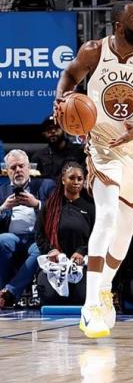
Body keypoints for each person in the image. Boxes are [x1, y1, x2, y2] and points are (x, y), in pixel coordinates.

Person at [53, 1, 133, 338]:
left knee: (123, 230)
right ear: (119, 25)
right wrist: (61, 97)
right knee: (106, 215)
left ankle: (105, 287)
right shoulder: (94, 52)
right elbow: (69, 75)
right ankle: (91, 304)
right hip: (103, 147)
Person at [0, 150, 56, 309]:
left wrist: (37, 204)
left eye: (21, 166)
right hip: (13, 237)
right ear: (7, 171)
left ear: (28, 168)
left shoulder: (46, 185)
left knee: (40, 249)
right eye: (13, 167)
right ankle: (4, 290)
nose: (18, 170)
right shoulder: (2, 191)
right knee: (1, 240)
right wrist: (3, 208)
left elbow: (58, 211)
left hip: (37, 237)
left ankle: (8, 293)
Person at [35, 162, 94, 306]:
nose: (76, 182)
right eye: (71, 178)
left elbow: (97, 236)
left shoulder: (91, 207)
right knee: (50, 298)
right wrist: (50, 250)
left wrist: (82, 252)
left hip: (81, 263)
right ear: (63, 180)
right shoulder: (50, 206)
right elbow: (39, 235)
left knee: (81, 298)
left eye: (80, 179)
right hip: (55, 263)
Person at [31, 115, 86, 180]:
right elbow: (34, 181)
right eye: (49, 129)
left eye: (56, 127)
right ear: (44, 133)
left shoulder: (80, 151)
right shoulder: (38, 157)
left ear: (64, 129)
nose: (53, 131)